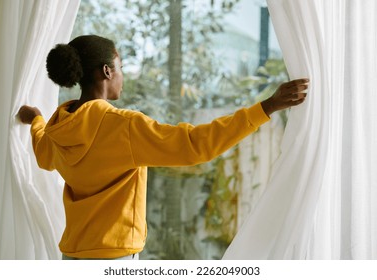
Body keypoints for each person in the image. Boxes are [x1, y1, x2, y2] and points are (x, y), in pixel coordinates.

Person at [18, 35, 308, 260]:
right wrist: (266, 107)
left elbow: (43, 154)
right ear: (107, 71)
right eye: (120, 68)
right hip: (114, 257)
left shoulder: (59, 127)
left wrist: (37, 119)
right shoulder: (123, 126)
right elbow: (195, 145)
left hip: (71, 254)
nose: (123, 76)